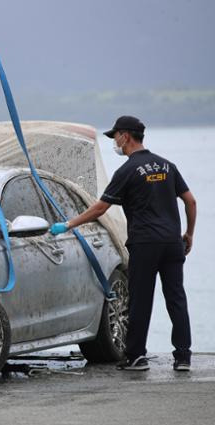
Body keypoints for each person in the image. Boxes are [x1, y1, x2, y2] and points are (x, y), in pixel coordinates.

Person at [50, 115, 197, 372]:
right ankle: (183, 357)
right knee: (176, 298)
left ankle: (136, 357)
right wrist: (189, 234)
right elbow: (190, 201)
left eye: (115, 136)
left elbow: (100, 208)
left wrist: (69, 224)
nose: (114, 142)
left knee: (140, 299)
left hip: (144, 244)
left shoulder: (127, 171)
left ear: (125, 136)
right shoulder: (167, 166)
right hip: (172, 243)